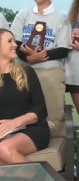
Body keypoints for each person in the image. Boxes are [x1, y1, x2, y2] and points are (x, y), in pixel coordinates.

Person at [0, 28, 50, 164]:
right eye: (9, 41)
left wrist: (14, 123)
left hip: (32, 129)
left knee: (3, 149)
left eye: (14, 41)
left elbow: (41, 110)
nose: (15, 45)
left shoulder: (27, 72)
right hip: (3, 132)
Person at [10, 0, 71, 69]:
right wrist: (28, 58)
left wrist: (40, 56)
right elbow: (14, 43)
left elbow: (63, 50)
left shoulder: (61, 18)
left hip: (50, 73)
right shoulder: (23, 14)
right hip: (24, 71)